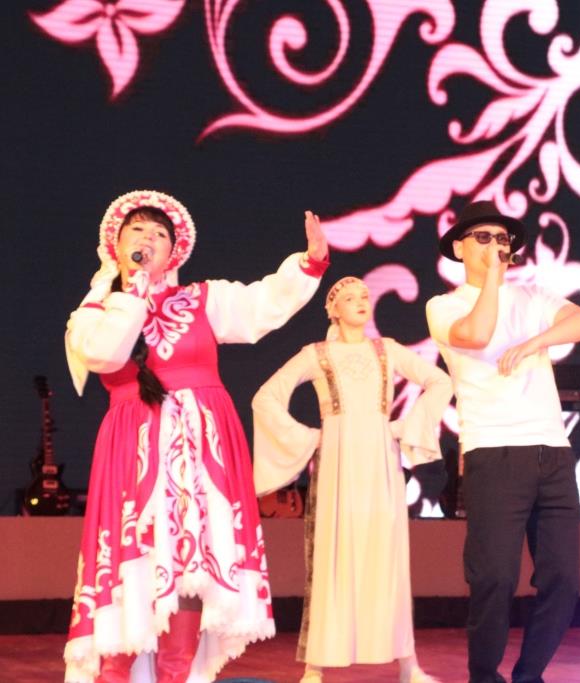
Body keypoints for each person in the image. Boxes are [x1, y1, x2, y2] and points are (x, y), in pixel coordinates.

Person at [63, 190, 329, 683]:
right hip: (133, 452)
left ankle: (177, 673)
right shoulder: (93, 312)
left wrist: (308, 264)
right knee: (130, 566)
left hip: (202, 452)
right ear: (116, 245)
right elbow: (105, 353)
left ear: (175, 251)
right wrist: (131, 290)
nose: (149, 239)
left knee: (192, 567)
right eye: (138, 231)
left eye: (160, 233)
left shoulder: (204, 299)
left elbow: (262, 302)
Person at [425, 200, 580, 683]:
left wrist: (533, 342)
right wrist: (493, 281)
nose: (495, 246)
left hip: (553, 452)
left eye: (501, 239)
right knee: (494, 579)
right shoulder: (444, 306)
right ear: (459, 249)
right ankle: (484, 676)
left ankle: (528, 676)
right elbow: (478, 334)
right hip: (494, 453)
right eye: (482, 238)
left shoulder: (533, 296)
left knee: (563, 580)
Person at [252, 276, 452, 683]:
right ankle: (315, 666)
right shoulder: (318, 354)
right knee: (332, 553)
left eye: (364, 295)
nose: (360, 301)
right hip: (337, 463)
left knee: (388, 555)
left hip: (381, 462)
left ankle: (408, 665)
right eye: (349, 297)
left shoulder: (387, 350)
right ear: (333, 309)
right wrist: (310, 437)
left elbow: (441, 381)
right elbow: (265, 398)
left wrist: (403, 428)